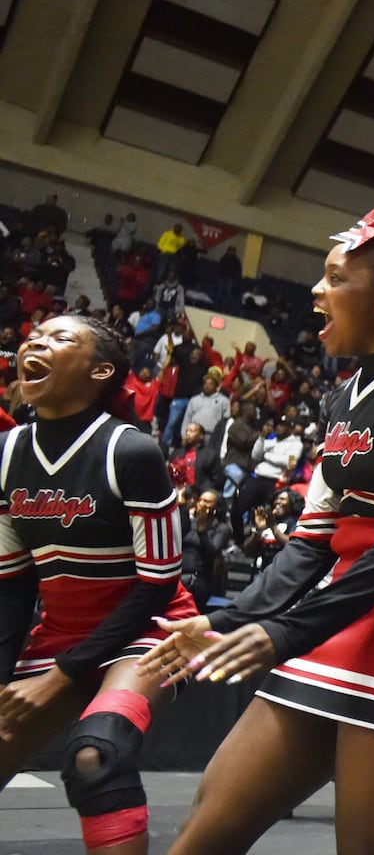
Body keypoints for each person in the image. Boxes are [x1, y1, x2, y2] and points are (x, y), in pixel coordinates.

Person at [137, 172, 374, 855]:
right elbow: (310, 545)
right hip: (342, 614)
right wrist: (228, 621)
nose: (315, 292)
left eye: (335, 278)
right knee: (203, 835)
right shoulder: (348, 394)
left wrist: (280, 635)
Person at [0, 315, 197, 854]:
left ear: (100, 371)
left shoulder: (131, 452)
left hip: (153, 631)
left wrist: (61, 674)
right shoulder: (8, 453)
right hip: (64, 633)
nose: (37, 340)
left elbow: (158, 586)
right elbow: (13, 587)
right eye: (34, 333)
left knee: (97, 755)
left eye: (62, 338)